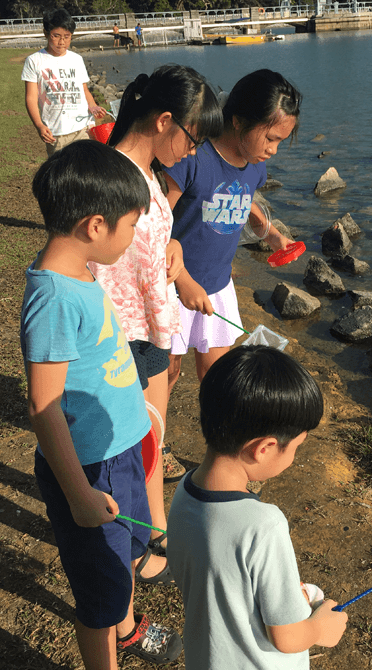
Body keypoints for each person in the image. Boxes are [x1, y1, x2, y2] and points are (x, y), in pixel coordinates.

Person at [20, 140, 182, 668]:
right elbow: (44, 406)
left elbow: (103, 358)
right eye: (131, 226)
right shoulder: (53, 298)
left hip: (120, 455)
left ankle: (128, 627)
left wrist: (141, 415)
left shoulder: (83, 271)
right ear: (95, 225)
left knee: (126, 560)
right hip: (90, 472)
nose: (134, 236)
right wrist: (79, 493)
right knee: (98, 591)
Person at [89, 65, 224, 577]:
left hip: (150, 330)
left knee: (151, 439)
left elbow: (152, 235)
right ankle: (127, 547)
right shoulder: (109, 178)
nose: (194, 152)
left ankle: (156, 532)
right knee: (125, 451)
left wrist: (172, 248)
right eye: (193, 138)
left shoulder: (147, 175)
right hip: (118, 337)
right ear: (165, 120)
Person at [167, 346, 348, 669]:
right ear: (264, 448)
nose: (294, 457)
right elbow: (287, 636)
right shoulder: (264, 525)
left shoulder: (185, 491)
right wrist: (322, 626)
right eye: (296, 447)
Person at [164, 69, 300, 394]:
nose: (274, 150)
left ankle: (220, 438)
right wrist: (182, 280)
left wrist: (271, 233)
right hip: (171, 285)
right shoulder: (193, 158)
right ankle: (154, 444)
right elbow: (151, 222)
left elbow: (243, 197)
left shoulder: (254, 165)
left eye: (280, 141)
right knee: (166, 373)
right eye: (270, 138)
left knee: (216, 377)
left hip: (217, 285)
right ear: (238, 121)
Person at [22, 8, 106, 156]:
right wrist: (39, 125)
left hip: (83, 128)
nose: (62, 42)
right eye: (56, 36)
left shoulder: (76, 59)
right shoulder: (34, 61)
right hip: (56, 132)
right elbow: (31, 97)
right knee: (62, 174)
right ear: (46, 33)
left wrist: (92, 107)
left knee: (88, 169)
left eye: (67, 37)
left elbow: (83, 89)